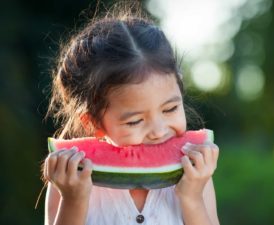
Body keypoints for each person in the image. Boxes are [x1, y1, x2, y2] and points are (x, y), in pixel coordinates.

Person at [42, 5, 220, 225]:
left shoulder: (196, 176)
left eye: (170, 109)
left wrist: (192, 198)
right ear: (92, 123)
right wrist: (74, 200)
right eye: (135, 121)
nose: (158, 131)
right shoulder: (68, 181)